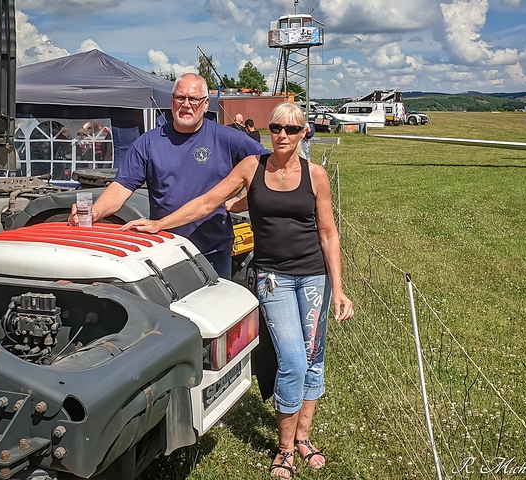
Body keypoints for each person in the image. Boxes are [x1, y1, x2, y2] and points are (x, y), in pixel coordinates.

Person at [120, 102, 354, 478]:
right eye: (276, 128)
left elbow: (328, 233)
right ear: (269, 130)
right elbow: (209, 201)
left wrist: (338, 289)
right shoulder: (252, 167)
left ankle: (304, 439)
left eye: (292, 130)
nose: (282, 135)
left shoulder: (316, 176)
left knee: (313, 359)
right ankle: (284, 449)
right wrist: (161, 223)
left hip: (313, 279)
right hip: (272, 278)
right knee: (292, 360)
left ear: (304, 133)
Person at [68, 73, 269, 278]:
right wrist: (96, 212)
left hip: (213, 253)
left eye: (194, 99)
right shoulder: (148, 143)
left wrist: (242, 202)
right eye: (180, 98)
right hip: (165, 252)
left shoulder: (228, 139)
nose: (186, 104)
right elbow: (121, 187)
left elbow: (270, 166)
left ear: (206, 104)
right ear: (172, 101)